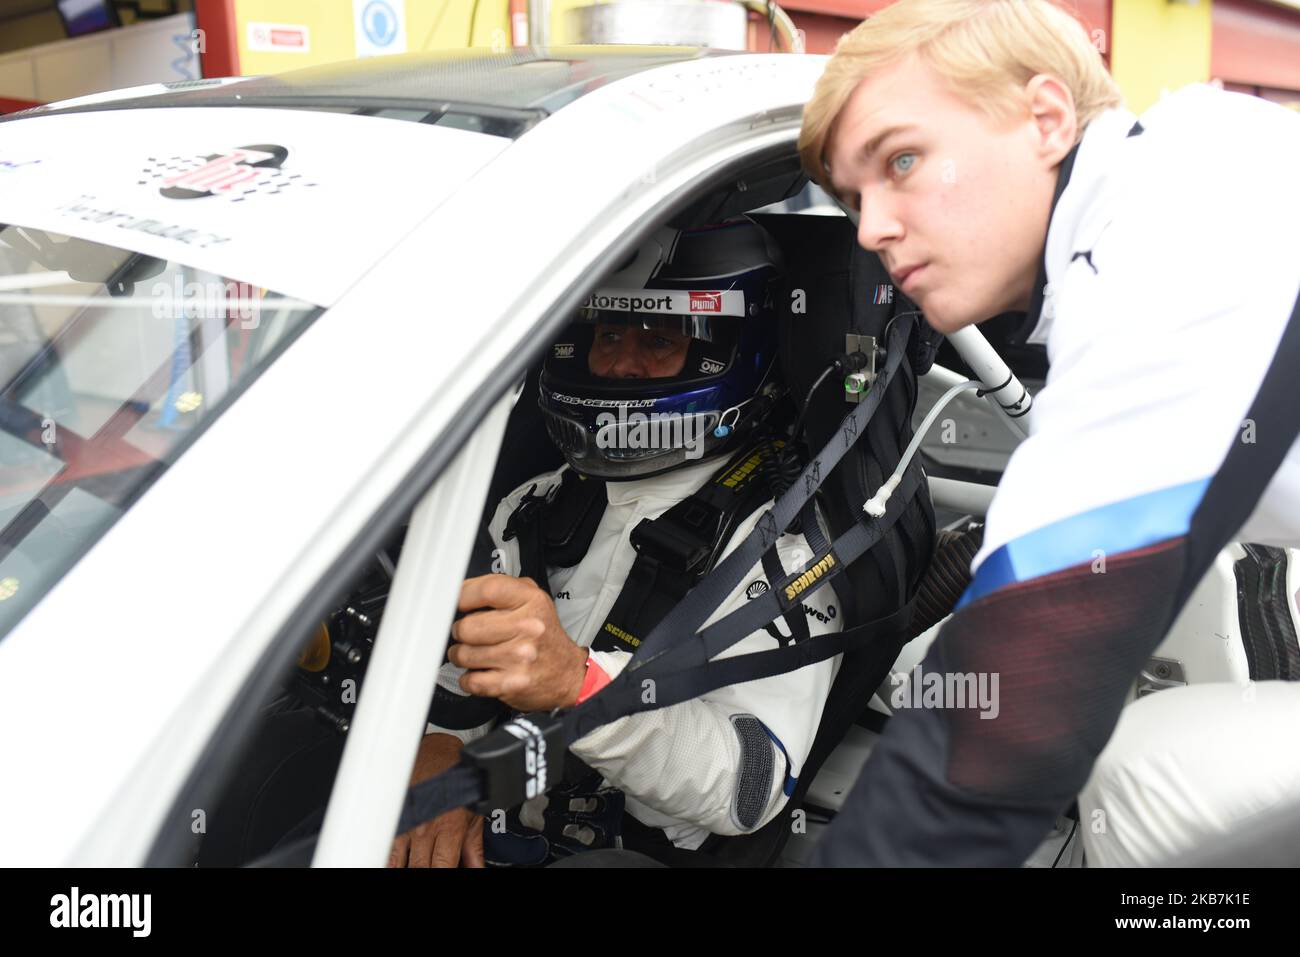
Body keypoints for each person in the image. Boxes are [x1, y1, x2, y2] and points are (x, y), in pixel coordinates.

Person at [796, 0, 1300, 866]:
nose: (870, 227)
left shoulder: (1174, 234)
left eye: (902, 160)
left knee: (1146, 780)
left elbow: (999, 710)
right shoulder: (1202, 155)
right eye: (851, 197)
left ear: (1046, 118)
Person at [389, 219, 843, 867]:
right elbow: (459, 667)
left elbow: (749, 785)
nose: (624, 363)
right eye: (609, 334)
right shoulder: (536, 504)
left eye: (659, 338)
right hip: (504, 829)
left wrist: (579, 686)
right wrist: (439, 749)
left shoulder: (782, 546)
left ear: (727, 354)